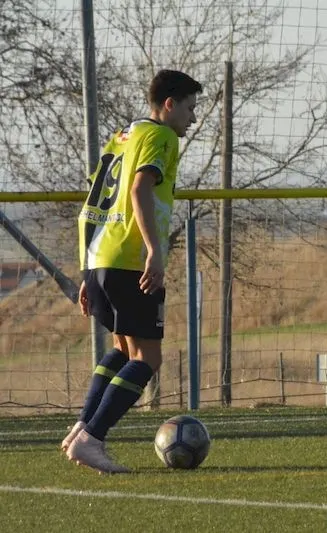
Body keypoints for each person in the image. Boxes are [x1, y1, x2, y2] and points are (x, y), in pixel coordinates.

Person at [61, 69, 202, 473]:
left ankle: (81, 431)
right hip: (130, 258)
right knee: (148, 357)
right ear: (169, 105)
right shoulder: (162, 137)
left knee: (123, 350)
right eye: (190, 109)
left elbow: (94, 201)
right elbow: (140, 188)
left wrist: (87, 265)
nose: (192, 119)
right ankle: (92, 437)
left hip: (102, 257)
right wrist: (155, 252)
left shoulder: (124, 135)